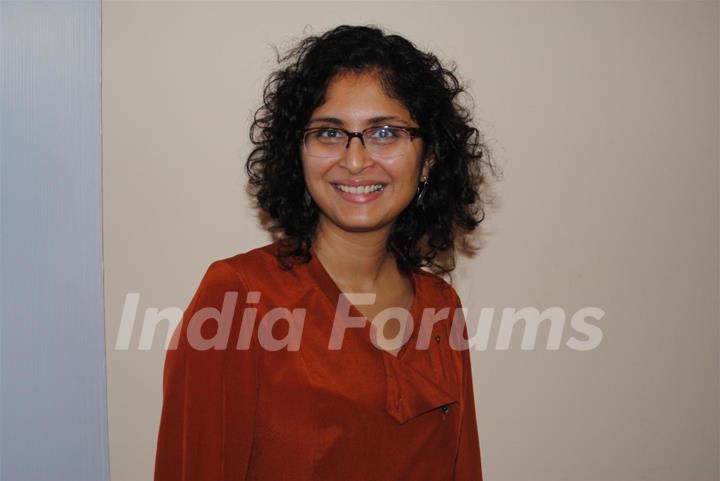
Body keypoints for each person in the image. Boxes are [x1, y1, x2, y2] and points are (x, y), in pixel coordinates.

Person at [154, 24, 498, 481]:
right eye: (329, 133)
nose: (355, 161)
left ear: (429, 157)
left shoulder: (442, 307)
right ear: (298, 151)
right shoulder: (238, 298)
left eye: (384, 132)